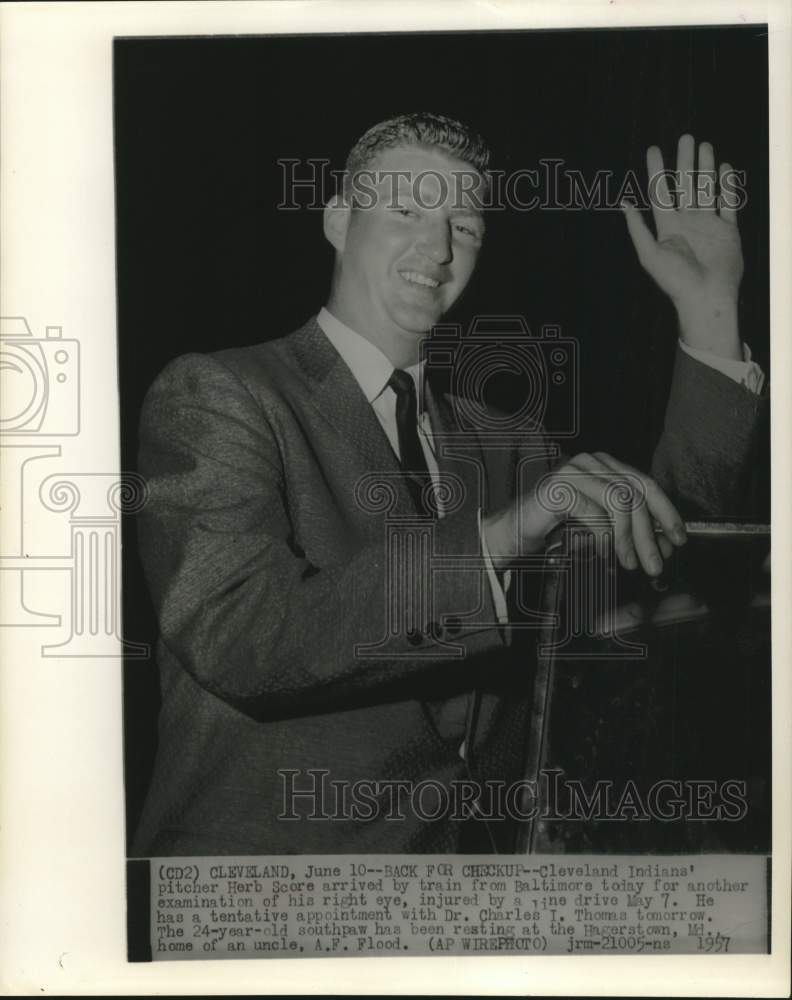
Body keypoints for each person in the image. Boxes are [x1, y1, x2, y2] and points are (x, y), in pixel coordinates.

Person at [131, 113, 766, 856]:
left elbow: (657, 568)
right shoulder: (220, 393)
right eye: (406, 211)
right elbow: (242, 636)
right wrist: (493, 542)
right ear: (339, 220)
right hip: (269, 906)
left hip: (470, 908)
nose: (435, 249)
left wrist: (709, 314)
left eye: (463, 225)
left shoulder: (511, 443)